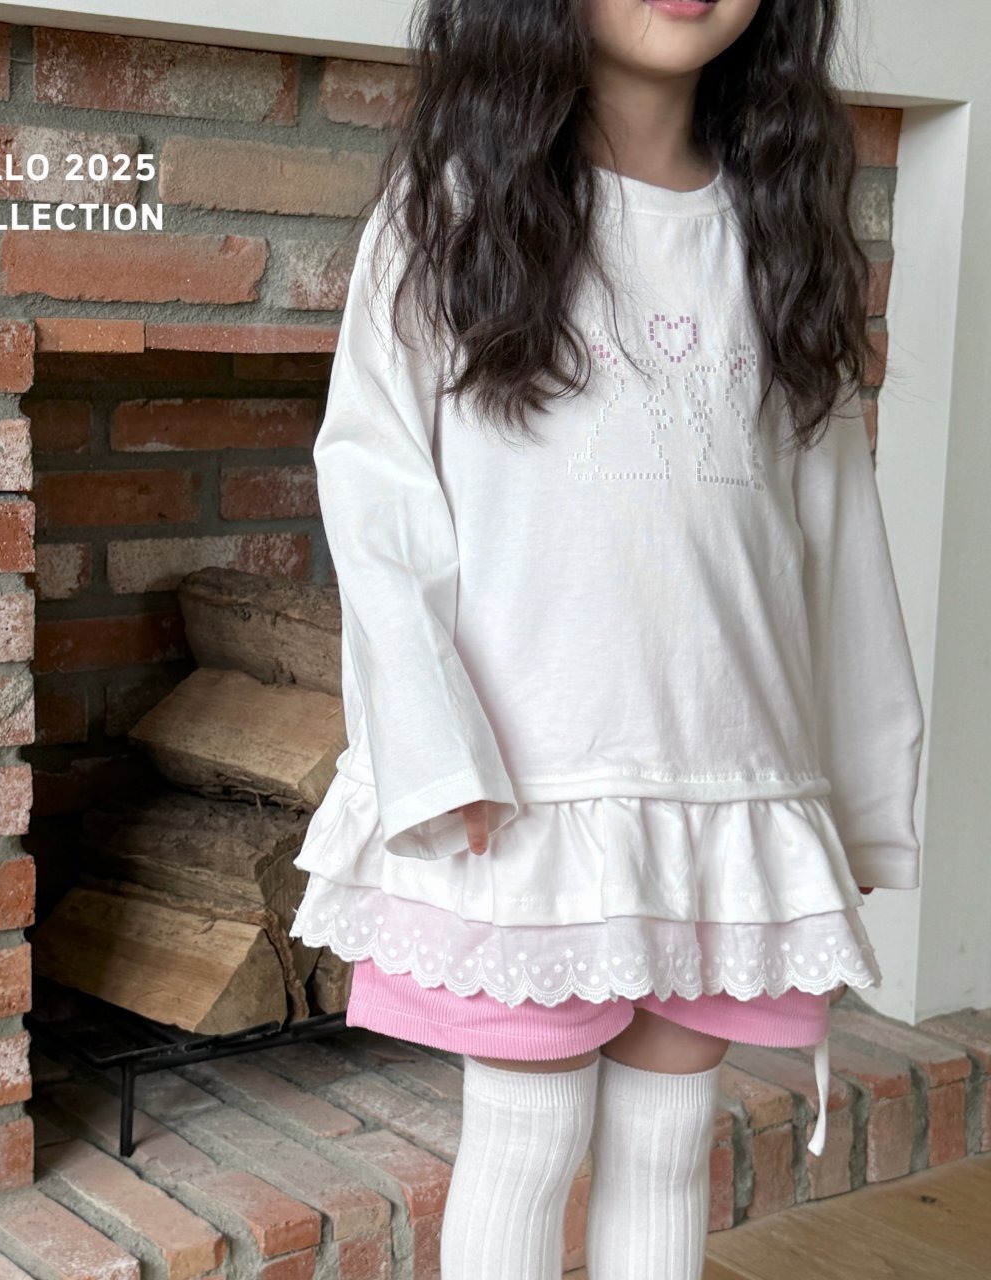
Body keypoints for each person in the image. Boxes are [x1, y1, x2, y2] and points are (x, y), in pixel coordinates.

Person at [288, 0, 925, 1276]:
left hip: (725, 790)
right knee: (525, 1138)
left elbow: (836, 536)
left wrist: (858, 798)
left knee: (666, 1142)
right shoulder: (452, 210)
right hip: (527, 798)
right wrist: (428, 748)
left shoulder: (777, 231)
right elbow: (375, 494)